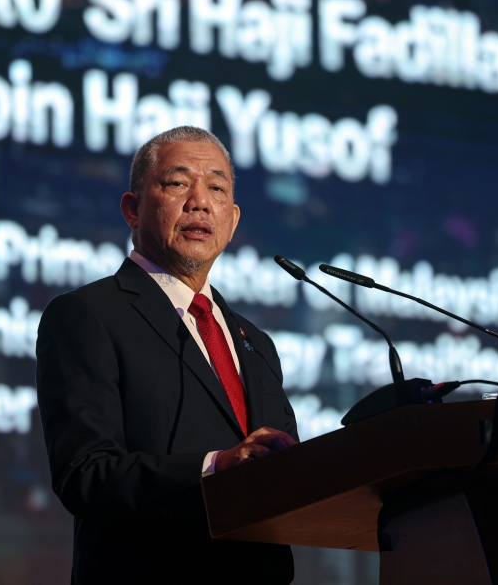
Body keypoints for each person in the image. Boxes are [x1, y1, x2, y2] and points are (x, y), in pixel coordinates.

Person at [36, 126, 300, 584]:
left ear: (232, 220)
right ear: (132, 209)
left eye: (216, 188)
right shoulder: (86, 315)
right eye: (178, 183)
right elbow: (87, 474)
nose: (199, 201)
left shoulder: (254, 342)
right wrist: (215, 468)